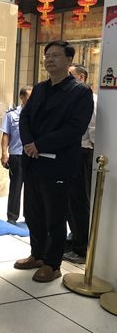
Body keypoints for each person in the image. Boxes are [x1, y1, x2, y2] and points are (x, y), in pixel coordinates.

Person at [14, 41, 93, 282]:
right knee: (33, 213)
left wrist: (40, 144)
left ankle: (52, 263)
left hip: (58, 163)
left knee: (55, 216)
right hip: (33, 161)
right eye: (47, 55)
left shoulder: (80, 92)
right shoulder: (40, 88)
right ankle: (37, 254)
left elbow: (74, 128)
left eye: (55, 55)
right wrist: (29, 143)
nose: (49, 59)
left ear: (69, 60)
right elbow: (25, 117)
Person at [63, 63, 97, 264]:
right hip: (70, 153)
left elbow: (92, 131)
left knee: (79, 202)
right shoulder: (70, 98)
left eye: (70, 75)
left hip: (84, 154)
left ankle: (82, 248)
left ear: (81, 77)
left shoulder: (90, 99)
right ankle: (75, 237)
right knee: (69, 201)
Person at [0, 86, 32, 224]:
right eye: (29, 97)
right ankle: (12, 216)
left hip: (32, 155)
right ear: (22, 97)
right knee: (15, 187)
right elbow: (6, 135)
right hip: (16, 155)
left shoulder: (36, 114)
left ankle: (29, 216)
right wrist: (4, 153)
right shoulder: (11, 115)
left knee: (31, 188)